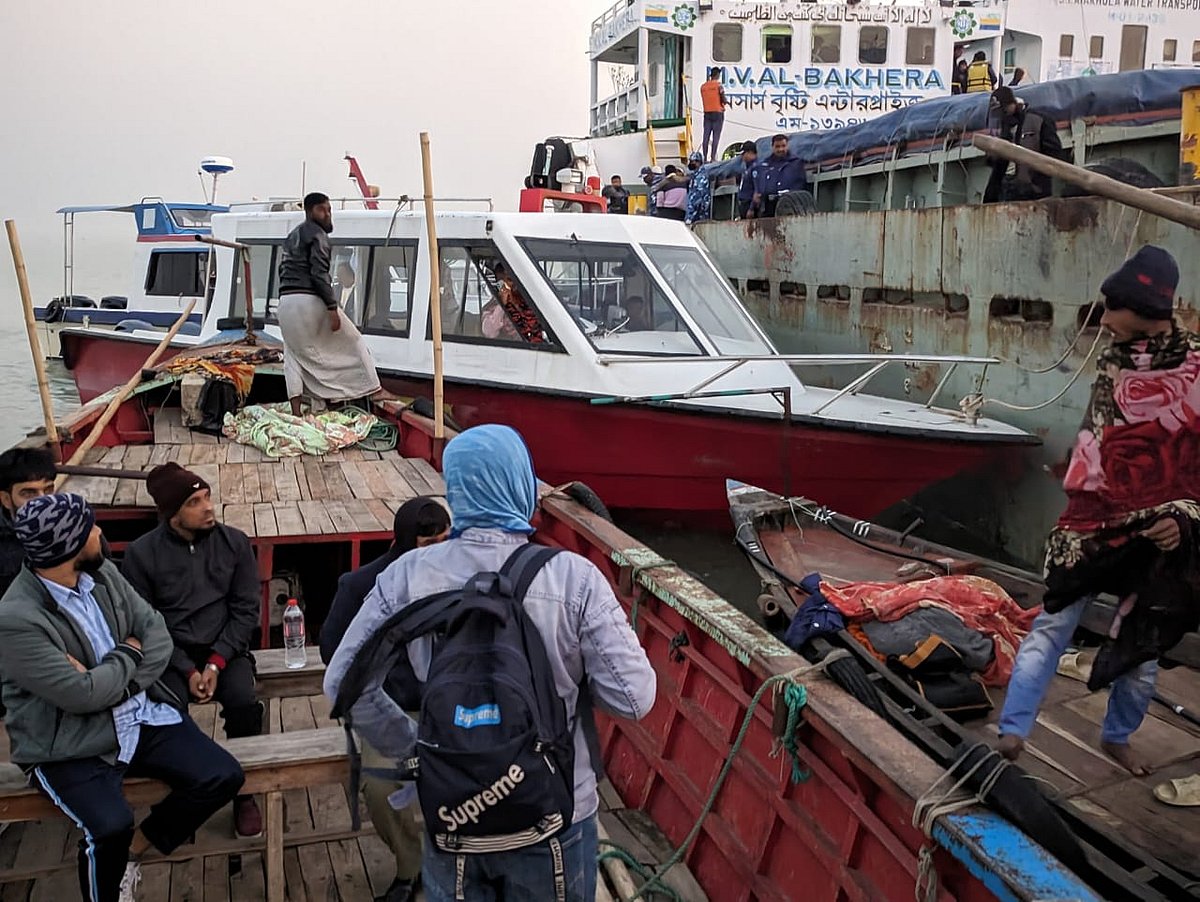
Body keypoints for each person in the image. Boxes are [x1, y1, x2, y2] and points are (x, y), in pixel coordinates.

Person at [324, 424, 656, 902]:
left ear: (456, 490)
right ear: (522, 483)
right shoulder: (574, 578)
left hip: (453, 806)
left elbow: (343, 687)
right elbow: (635, 698)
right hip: (556, 811)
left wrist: (413, 746)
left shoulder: (406, 576)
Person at [998, 247, 1197, 777]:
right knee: (1052, 621)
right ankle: (1013, 731)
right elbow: (1100, 439)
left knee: (1143, 645)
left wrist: (1181, 516)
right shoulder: (1114, 361)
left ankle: (1118, 737)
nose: (1104, 320)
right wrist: (1076, 473)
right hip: (1092, 521)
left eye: (1112, 308)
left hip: (1159, 529)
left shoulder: (1197, 365)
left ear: (1144, 307)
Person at [0, 493, 244, 902]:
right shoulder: (17, 619)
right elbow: (80, 696)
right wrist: (130, 652)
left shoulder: (104, 575)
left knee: (222, 775)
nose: (99, 532)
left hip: (137, 715)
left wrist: (116, 680)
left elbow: (157, 635)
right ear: (69, 547)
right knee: (110, 826)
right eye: (91, 529)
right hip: (67, 742)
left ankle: (134, 852)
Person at [120, 463, 264, 838]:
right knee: (164, 714)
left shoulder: (235, 543)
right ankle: (177, 800)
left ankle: (244, 794)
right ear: (171, 513)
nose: (208, 507)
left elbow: (246, 610)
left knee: (244, 702)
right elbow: (147, 622)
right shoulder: (141, 554)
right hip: (169, 653)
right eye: (194, 502)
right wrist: (187, 669)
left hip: (225, 650)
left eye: (208, 497)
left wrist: (215, 664)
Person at [319, 497, 451, 902]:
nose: (442, 551)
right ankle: (411, 866)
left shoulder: (455, 577)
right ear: (408, 542)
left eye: (447, 541)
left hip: (444, 704)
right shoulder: (361, 585)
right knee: (379, 788)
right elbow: (331, 649)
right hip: (388, 706)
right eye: (431, 543)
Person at [277, 192, 389, 417]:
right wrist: (331, 307)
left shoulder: (292, 236)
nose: (327, 214)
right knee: (354, 340)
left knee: (293, 353)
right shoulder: (319, 235)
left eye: (329, 209)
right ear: (310, 212)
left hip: (285, 303)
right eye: (322, 209)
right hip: (308, 299)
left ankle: (296, 411)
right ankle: (375, 389)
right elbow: (319, 274)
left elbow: (283, 270)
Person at [983, 86, 1066, 203]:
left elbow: (1054, 154)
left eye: (1004, 110)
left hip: (1034, 193)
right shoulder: (1004, 128)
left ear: (1012, 103)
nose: (1003, 114)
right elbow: (998, 168)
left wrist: (1037, 182)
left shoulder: (1038, 120)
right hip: (1007, 190)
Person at [0, 448, 57, 598]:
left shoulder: (75, 530)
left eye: (48, 490)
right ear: (6, 499)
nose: (42, 501)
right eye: (29, 494)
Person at [748, 134, 810, 218]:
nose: (781, 149)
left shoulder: (796, 163)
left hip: (788, 205)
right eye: (777, 146)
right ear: (772, 147)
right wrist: (752, 207)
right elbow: (758, 187)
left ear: (787, 146)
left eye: (783, 146)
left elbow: (801, 185)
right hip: (767, 206)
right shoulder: (765, 165)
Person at [699, 67, 727, 162]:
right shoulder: (719, 86)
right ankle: (713, 157)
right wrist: (725, 101)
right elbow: (723, 99)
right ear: (717, 75)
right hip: (718, 113)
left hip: (707, 113)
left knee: (706, 135)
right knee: (716, 136)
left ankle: (705, 157)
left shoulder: (703, 87)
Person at [736, 140, 760, 219]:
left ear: (750, 152)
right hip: (743, 204)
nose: (742, 157)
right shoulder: (747, 167)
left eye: (743, 154)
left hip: (749, 204)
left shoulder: (755, 168)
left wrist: (751, 208)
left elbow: (757, 190)